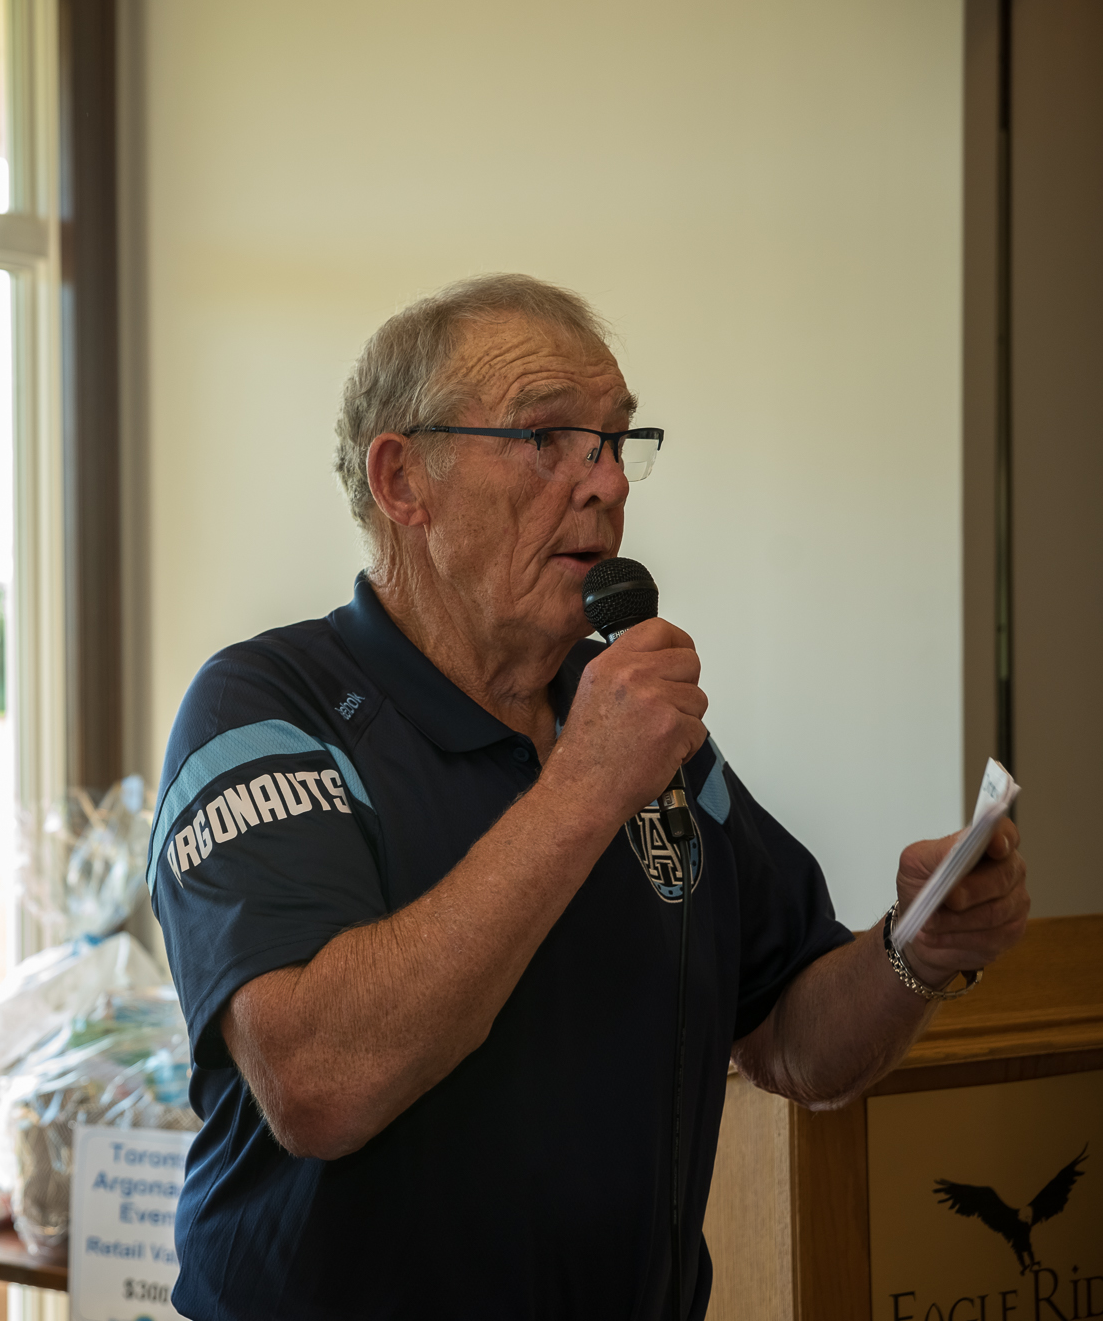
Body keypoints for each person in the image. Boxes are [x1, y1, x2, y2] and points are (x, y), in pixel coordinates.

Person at [145, 274, 1030, 1320]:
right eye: (545, 438)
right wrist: (585, 785)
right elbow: (320, 1084)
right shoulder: (264, 712)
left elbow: (790, 1037)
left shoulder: (631, 727)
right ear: (402, 479)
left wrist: (914, 951)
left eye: (613, 440)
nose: (604, 482)